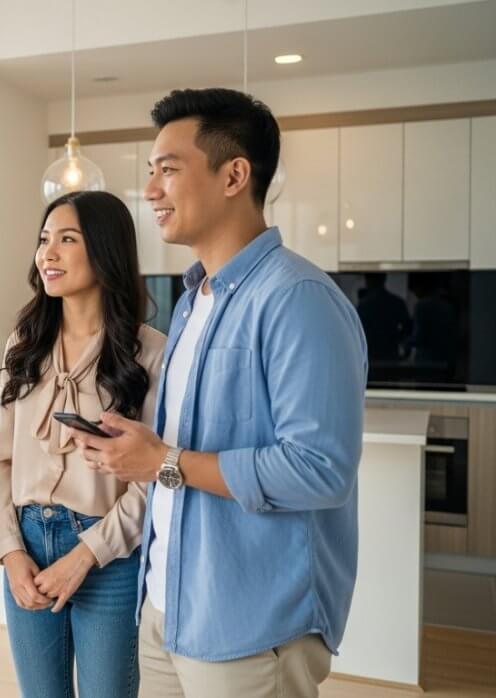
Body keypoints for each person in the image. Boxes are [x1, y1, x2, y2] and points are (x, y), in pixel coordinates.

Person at [65, 88, 367, 698]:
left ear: (234, 176)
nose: (150, 189)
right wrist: (143, 448)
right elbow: (189, 445)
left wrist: (164, 461)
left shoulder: (298, 299)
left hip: (251, 624)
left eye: (168, 170)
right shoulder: (191, 301)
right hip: (167, 606)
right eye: (150, 171)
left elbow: (319, 469)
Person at [0, 190, 165, 698]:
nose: (48, 253)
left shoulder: (150, 353)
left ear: (105, 250)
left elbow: (152, 480)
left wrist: (86, 554)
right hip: (27, 547)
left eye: (67, 239)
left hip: (109, 556)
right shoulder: (24, 344)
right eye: (44, 240)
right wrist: (9, 552)